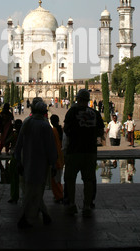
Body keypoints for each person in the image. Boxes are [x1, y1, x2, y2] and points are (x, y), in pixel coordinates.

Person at [14, 100, 57, 228]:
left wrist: (18, 160)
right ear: (44, 112)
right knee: (36, 191)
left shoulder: (27, 122)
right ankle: (27, 218)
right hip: (41, 164)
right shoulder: (44, 126)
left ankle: (43, 214)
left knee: (31, 190)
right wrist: (53, 163)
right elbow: (51, 147)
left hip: (27, 161)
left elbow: (19, 145)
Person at [63, 89, 104, 217]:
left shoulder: (72, 111)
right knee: (89, 179)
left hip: (74, 150)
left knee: (70, 179)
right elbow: (100, 132)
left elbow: (66, 129)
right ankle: (86, 206)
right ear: (88, 100)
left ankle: (71, 204)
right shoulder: (95, 113)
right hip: (90, 151)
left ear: (78, 99)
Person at [6, 118, 23, 204]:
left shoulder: (15, 135)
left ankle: (14, 196)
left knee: (14, 178)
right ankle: (25, 196)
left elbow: (6, 141)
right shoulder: (24, 135)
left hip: (15, 157)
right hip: (24, 158)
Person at [50, 114, 64, 203]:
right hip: (61, 157)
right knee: (58, 177)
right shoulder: (61, 130)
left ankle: (59, 196)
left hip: (56, 157)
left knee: (55, 178)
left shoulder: (53, 130)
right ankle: (59, 194)